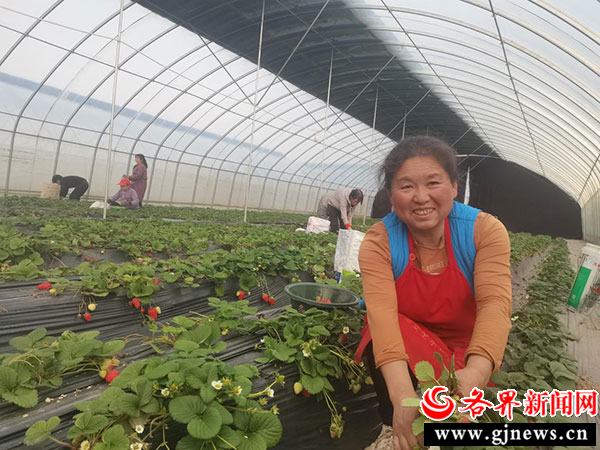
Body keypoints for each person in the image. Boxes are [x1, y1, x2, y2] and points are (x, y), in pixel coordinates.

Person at [354, 136, 511, 450]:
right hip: (409, 343)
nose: (421, 197)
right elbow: (383, 318)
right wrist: (402, 398)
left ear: (453, 187)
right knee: (377, 330)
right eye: (406, 186)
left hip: (467, 351)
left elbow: (495, 304)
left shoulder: (484, 231)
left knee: (460, 428)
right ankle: (392, 427)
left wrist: (476, 371)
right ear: (391, 195)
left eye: (433, 183)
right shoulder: (379, 242)